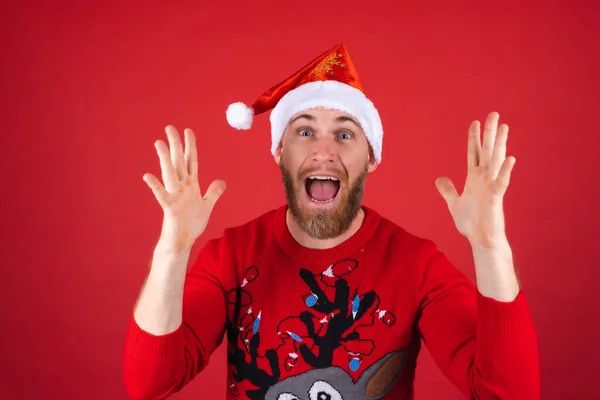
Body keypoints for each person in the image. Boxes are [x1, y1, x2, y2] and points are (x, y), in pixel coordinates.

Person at [122, 44, 540, 400]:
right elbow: (149, 384)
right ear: (279, 151)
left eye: (344, 134)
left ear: (371, 158)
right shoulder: (231, 256)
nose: (323, 151)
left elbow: (508, 393)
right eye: (304, 132)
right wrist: (172, 251)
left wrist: (491, 249)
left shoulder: (417, 265)